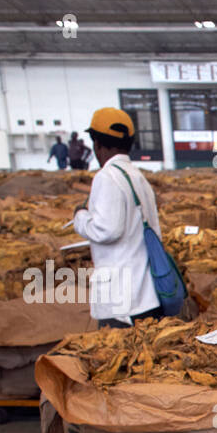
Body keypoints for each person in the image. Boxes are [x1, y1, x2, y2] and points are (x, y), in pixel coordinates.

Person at [72, 108, 163, 327]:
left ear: (97, 144)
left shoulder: (107, 176)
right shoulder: (137, 176)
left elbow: (107, 230)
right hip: (147, 293)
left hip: (123, 302)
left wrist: (80, 217)